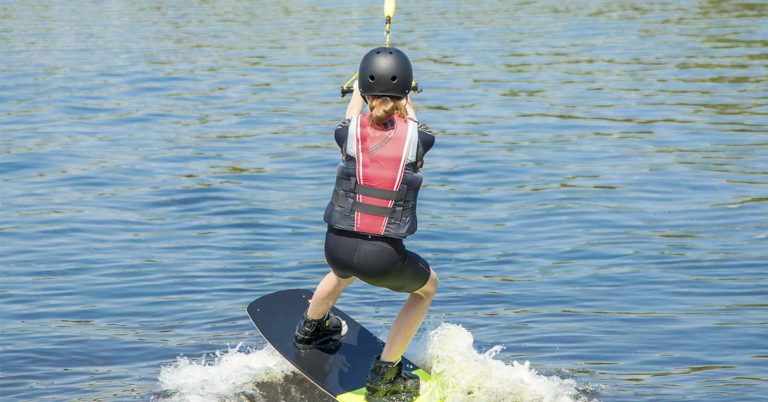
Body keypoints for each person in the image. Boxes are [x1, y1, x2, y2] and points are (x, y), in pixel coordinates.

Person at [293, 46, 438, 401]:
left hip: (336, 250)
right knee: (427, 289)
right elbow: (413, 127)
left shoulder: (347, 134)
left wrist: (359, 91)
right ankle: (385, 373)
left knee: (344, 271)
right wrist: (404, 98)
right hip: (382, 258)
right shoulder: (421, 138)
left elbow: (351, 115)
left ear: (363, 91)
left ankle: (310, 329)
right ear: (405, 93)